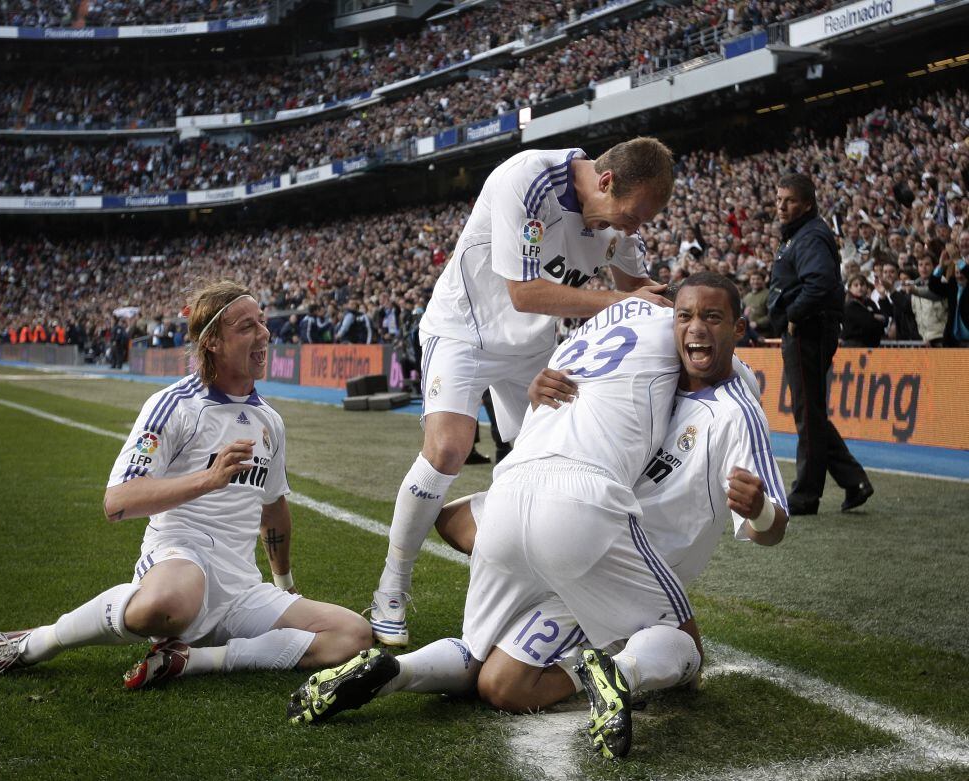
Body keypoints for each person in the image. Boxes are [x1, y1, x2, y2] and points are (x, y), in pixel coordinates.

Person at [288, 274, 788, 762]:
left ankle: (397, 671)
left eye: (712, 318)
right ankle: (621, 671)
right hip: (599, 540)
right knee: (688, 653)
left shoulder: (733, 409)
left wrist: (760, 507)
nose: (695, 328)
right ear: (667, 322)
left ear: (738, 330)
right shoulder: (650, 373)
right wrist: (539, 388)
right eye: (684, 316)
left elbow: (773, 527)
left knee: (500, 684)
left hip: (552, 529)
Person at [0, 281, 371, 685]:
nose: (263, 334)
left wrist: (284, 586)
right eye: (246, 326)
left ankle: (192, 661)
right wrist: (207, 479)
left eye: (261, 322)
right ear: (212, 342)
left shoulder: (270, 422)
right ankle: (35, 643)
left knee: (352, 636)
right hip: (181, 557)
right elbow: (118, 501)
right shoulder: (174, 406)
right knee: (168, 605)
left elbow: (273, 508)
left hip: (242, 586)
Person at [368, 138, 675, 647]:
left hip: (534, 346)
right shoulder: (529, 180)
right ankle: (391, 586)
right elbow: (525, 293)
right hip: (464, 329)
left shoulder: (619, 222)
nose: (631, 228)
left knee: (544, 462)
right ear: (605, 182)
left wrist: (692, 313)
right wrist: (621, 300)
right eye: (630, 214)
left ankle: (510, 569)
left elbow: (642, 291)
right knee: (448, 448)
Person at [768, 173, 872, 515]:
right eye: (779, 199)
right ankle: (853, 480)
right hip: (809, 329)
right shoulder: (802, 234)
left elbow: (820, 284)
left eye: (789, 201)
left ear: (807, 204)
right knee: (810, 412)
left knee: (808, 414)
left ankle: (806, 495)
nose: (781, 206)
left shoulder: (810, 236)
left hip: (808, 330)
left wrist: (794, 316)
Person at [841, 274, 886, 348]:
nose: (859, 287)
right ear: (850, 288)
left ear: (867, 287)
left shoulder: (870, 302)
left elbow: (885, 319)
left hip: (871, 346)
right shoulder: (850, 305)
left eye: (862, 285)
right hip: (853, 346)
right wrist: (874, 316)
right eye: (856, 285)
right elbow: (867, 323)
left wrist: (882, 295)